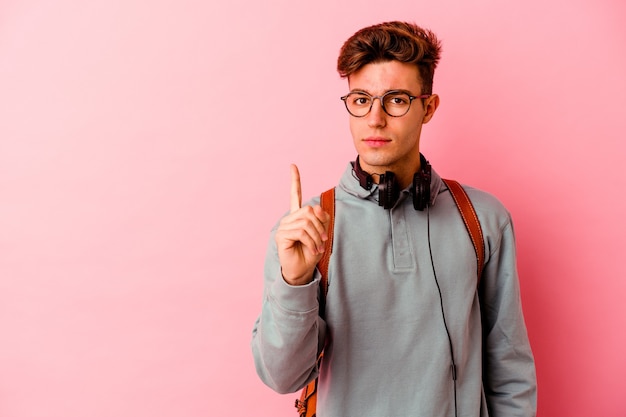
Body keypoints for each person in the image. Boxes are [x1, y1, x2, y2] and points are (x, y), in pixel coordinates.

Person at [251, 21, 537, 417]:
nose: (375, 119)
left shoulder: (484, 219)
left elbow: (510, 369)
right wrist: (295, 281)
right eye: (361, 99)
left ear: (428, 107)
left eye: (396, 100)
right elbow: (283, 377)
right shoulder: (306, 230)